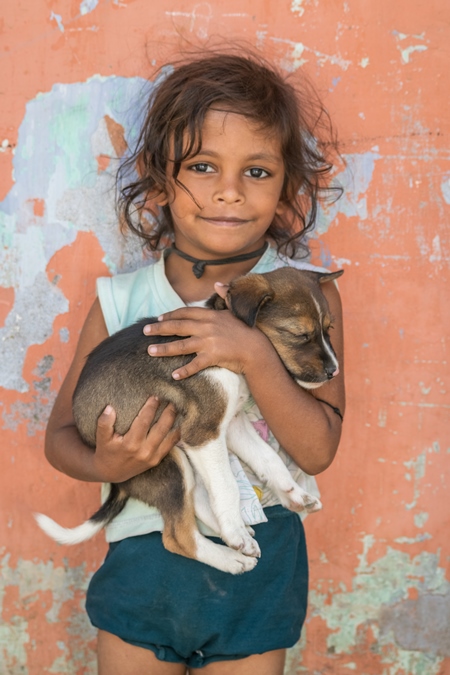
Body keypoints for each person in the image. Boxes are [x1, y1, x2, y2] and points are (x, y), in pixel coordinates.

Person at [44, 53, 345, 675]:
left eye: (257, 170)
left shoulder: (303, 295)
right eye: (203, 166)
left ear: (287, 187)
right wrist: (106, 461)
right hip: (145, 553)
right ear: (158, 183)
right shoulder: (120, 302)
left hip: (262, 558)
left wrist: (255, 354)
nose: (229, 190)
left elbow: (317, 452)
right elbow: (58, 441)